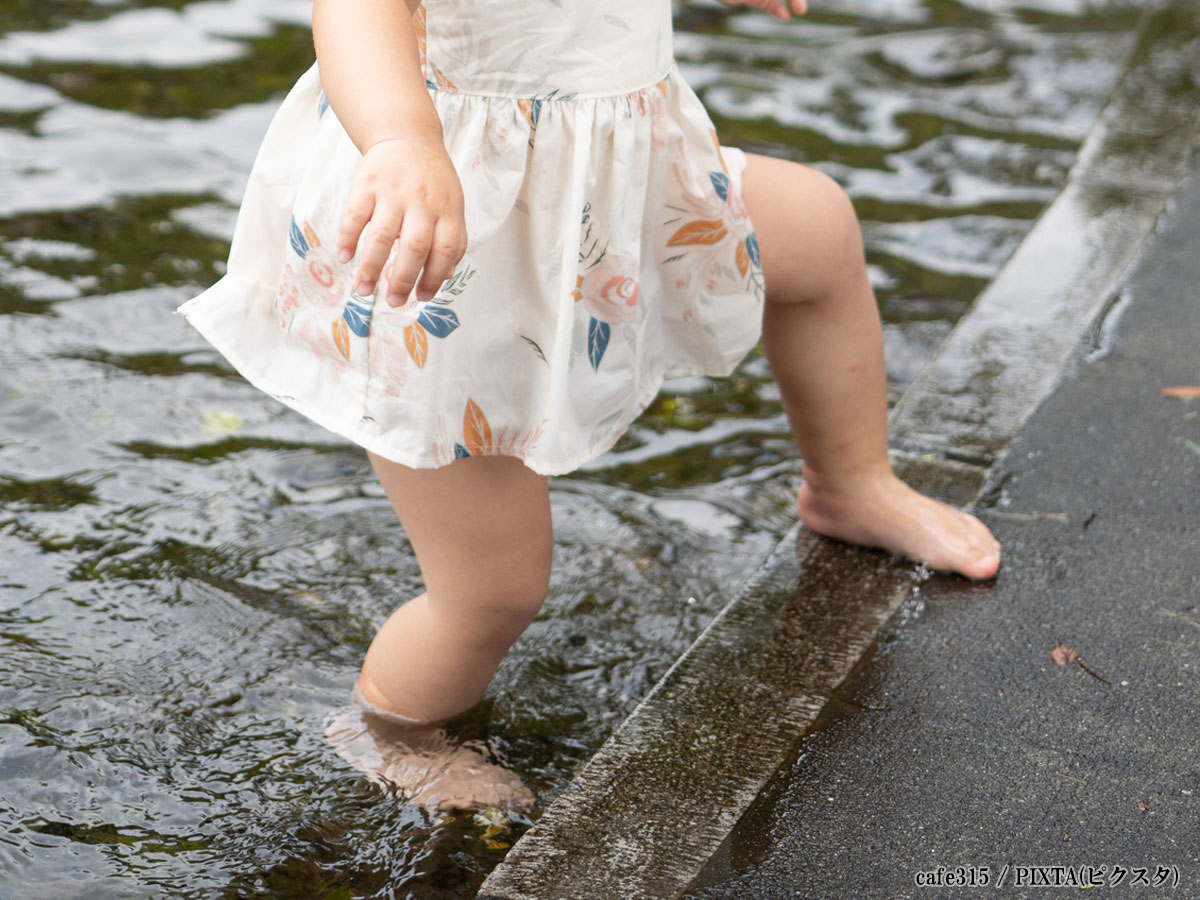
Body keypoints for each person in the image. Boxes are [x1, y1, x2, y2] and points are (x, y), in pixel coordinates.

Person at [175, 0, 1001, 812]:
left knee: (817, 231)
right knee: (492, 592)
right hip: (454, 241)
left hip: (623, 189)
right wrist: (399, 139)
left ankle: (851, 481)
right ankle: (398, 729)